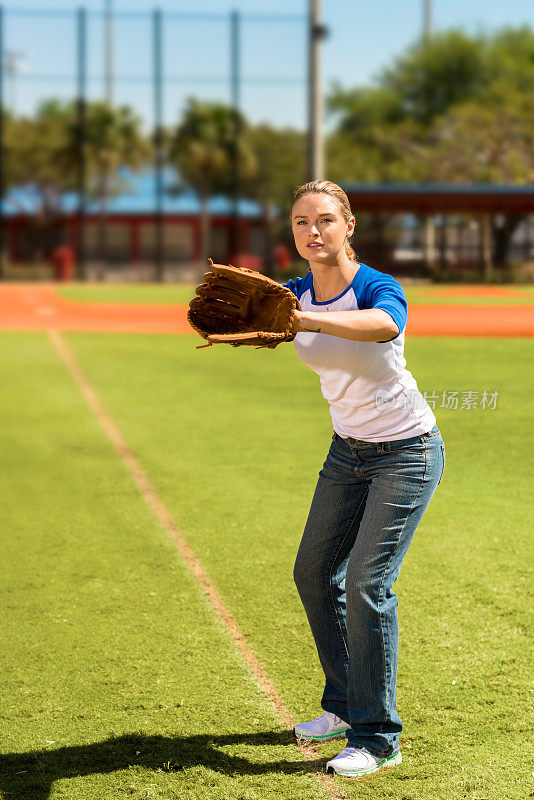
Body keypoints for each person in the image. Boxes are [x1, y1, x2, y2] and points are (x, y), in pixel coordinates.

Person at [284, 180, 445, 779]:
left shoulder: (376, 286)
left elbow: (384, 326)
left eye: (325, 219)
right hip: (347, 453)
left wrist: (306, 318)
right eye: (301, 222)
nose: (313, 231)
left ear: (348, 225)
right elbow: (266, 321)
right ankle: (345, 705)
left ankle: (378, 737)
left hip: (407, 451)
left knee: (366, 584)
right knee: (312, 572)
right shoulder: (293, 291)